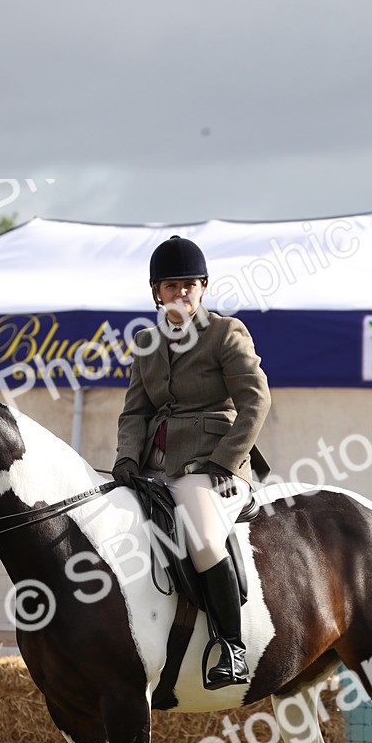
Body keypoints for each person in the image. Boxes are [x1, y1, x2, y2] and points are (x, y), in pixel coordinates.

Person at [112, 235, 271, 688]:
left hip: (211, 466)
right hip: (151, 466)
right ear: (157, 292)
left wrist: (225, 461)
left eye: (188, 285)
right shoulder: (146, 342)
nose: (180, 293)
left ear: (202, 288)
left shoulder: (226, 333)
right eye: (170, 286)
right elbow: (135, 412)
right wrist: (126, 457)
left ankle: (232, 647)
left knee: (201, 536)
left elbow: (255, 401)